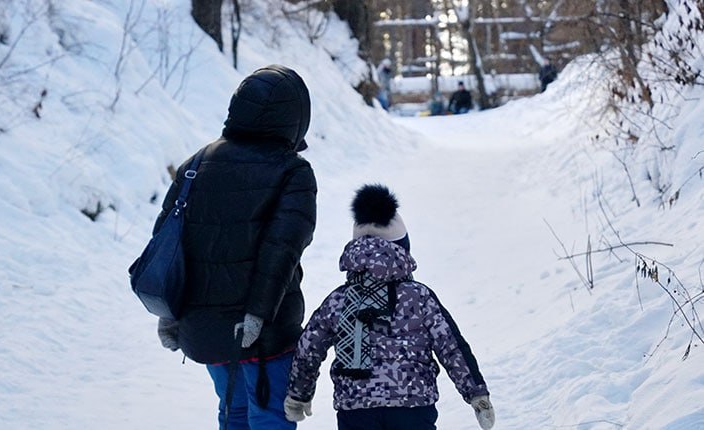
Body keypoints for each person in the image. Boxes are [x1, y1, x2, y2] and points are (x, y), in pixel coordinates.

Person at [154, 65, 318, 430]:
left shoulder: (196, 164)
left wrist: (169, 311)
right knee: (270, 417)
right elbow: (282, 251)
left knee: (235, 413)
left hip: (206, 329)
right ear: (295, 116)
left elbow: (167, 243)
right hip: (265, 331)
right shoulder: (292, 172)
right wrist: (257, 315)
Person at [283, 184, 494, 430]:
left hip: (356, 409)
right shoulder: (419, 297)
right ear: (403, 248)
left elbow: (309, 348)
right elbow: (451, 345)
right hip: (412, 406)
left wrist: (299, 394)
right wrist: (476, 393)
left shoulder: (338, 300)